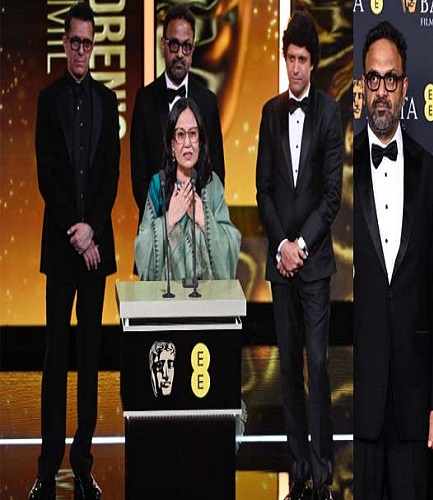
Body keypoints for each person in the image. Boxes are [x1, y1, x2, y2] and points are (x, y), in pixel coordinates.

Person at [353, 20, 433, 500]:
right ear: (362, 86)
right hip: (358, 396)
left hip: (415, 404)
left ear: (405, 86)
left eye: (391, 79)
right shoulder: (342, 166)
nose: (382, 91)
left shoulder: (429, 171)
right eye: (374, 78)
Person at [30, 3, 119, 499]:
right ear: (65, 44)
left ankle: (82, 463)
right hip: (65, 250)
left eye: (88, 43)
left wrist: (94, 231)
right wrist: (75, 231)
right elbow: (46, 176)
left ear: (93, 45)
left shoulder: (107, 101)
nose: (82, 50)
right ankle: (47, 467)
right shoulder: (48, 101)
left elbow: (111, 175)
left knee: (89, 356)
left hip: (95, 250)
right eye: (75, 42)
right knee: (55, 355)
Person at [255, 10, 342, 500]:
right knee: (288, 367)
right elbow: (263, 188)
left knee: (318, 364)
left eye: (303, 60)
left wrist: (300, 246)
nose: (295, 67)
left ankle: (323, 474)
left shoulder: (329, 113)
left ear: (314, 63)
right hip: (280, 263)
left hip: (314, 264)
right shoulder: (270, 112)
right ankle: (298, 472)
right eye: (290, 58)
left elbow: (331, 195)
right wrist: (282, 246)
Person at [130, 3, 225, 253]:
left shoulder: (207, 101)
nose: (180, 53)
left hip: (199, 241)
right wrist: (167, 220)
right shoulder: (144, 100)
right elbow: (139, 177)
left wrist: (196, 217)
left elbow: (217, 173)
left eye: (186, 46)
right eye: (174, 44)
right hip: (156, 236)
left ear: (193, 50)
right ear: (163, 45)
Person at [135, 98, 240, 281]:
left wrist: (205, 221)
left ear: (200, 141)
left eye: (193, 134)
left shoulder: (212, 184)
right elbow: (142, 248)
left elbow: (231, 243)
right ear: (172, 145)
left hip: (207, 294)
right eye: (180, 135)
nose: (187, 143)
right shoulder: (159, 184)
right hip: (165, 294)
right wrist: (169, 220)